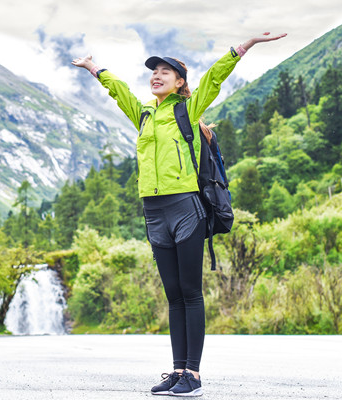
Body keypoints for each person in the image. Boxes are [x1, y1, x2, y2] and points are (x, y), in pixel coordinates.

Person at [72, 32, 287, 397]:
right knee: (172, 295)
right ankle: (177, 371)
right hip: (153, 212)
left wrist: (244, 46)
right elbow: (118, 90)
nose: (156, 75)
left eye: (164, 72)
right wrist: (94, 67)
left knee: (190, 292)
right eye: (153, 71)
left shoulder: (187, 109)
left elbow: (214, 79)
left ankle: (195, 375)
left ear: (179, 82)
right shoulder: (142, 115)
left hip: (185, 208)